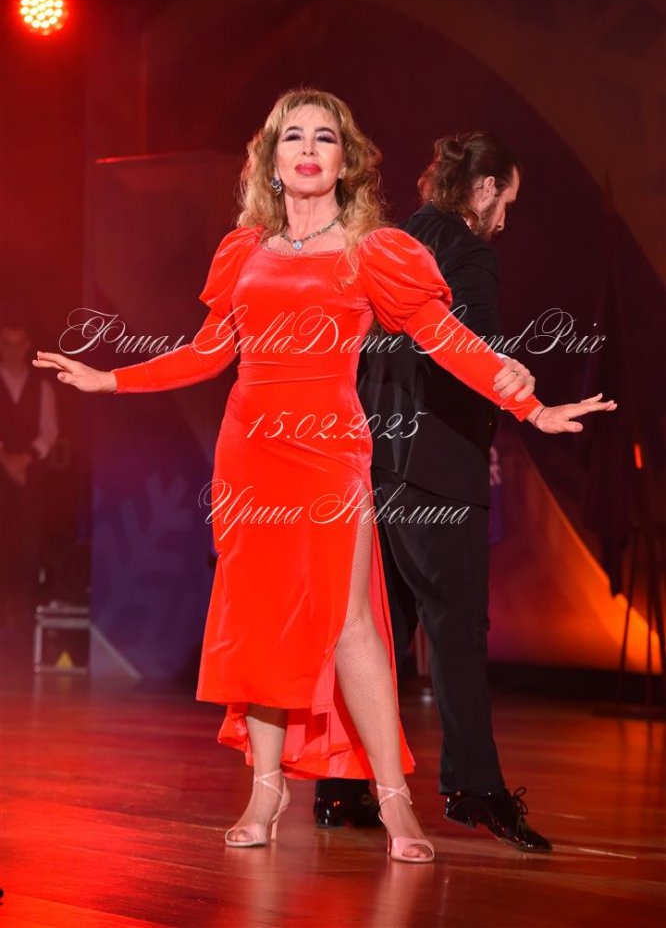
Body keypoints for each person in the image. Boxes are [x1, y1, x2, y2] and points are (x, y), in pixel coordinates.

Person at [34, 90, 615, 864]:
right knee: (262, 618)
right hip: (251, 451)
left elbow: (444, 336)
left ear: (347, 161)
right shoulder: (243, 249)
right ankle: (265, 789)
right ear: (272, 161)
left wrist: (529, 403)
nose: (308, 149)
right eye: (294, 137)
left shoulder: (373, 251)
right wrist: (111, 381)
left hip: (331, 450)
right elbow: (210, 350)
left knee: (352, 625)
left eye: (325, 138)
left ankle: (394, 799)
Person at [317, 133, 553, 851]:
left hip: (377, 463)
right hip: (439, 468)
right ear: (482, 189)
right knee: (456, 632)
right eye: (507, 200)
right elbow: (467, 349)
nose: (506, 218)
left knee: (377, 632)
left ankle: (341, 786)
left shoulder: (392, 239)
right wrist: (519, 389)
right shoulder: (470, 252)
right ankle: (474, 787)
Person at [0, 319, 58, 631]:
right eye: (6, 344)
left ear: (27, 345)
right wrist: (5, 459)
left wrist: (25, 459)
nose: (12, 351)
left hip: (30, 481)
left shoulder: (42, 385)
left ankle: (23, 635)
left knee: (26, 557)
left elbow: (49, 430)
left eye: (18, 344)